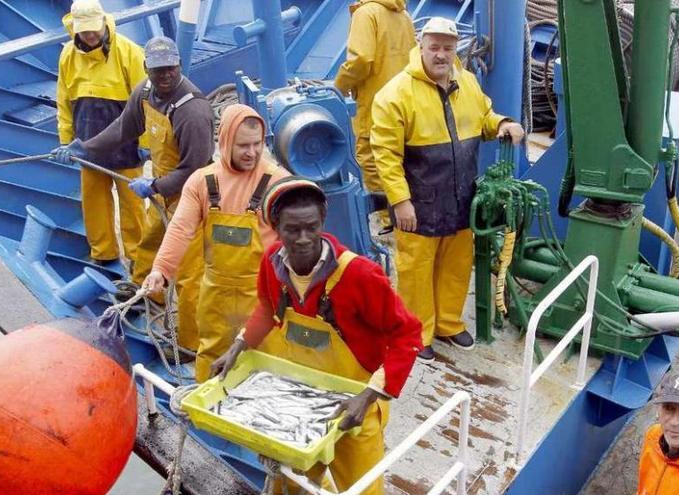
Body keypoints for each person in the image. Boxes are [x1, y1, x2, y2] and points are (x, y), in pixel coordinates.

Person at [211, 178, 422, 495]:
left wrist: (369, 396)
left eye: (311, 227)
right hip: (298, 396)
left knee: (363, 489)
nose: (303, 239)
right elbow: (268, 307)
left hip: (355, 407)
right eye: (292, 230)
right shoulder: (271, 263)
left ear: (323, 221)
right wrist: (239, 345)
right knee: (293, 485)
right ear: (276, 229)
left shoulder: (360, 275)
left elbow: (408, 333)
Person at [370, 17, 525, 361]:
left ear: (456, 49)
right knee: (416, 271)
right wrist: (400, 201)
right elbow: (386, 155)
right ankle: (416, 332)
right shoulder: (395, 95)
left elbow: (484, 117)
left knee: (456, 264)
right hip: (420, 202)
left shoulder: (467, 83)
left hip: (461, 198)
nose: (441, 55)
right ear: (421, 47)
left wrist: (502, 123)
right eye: (434, 47)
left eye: (448, 48)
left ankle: (448, 323)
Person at [54, 36, 215, 356]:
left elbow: (195, 171)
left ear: (179, 65)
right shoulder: (144, 92)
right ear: (147, 69)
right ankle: (147, 295)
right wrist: (85, 146)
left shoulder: (192, 111)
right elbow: (123, 128)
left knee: (189, 274)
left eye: (170, 68)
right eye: (158, 70)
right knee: (149, 245)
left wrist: (154, 187)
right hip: (163, 193)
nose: (165, 75)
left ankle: (189, 344)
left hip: (193, 198)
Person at [140, 104, 291, 381]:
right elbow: (180, 229)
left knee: (265, 360)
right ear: (225, 142)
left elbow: (298, 240)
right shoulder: (202, 181)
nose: (252, 152)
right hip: (215, 294)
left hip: (263, 293)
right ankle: (204, 412)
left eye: (257, 144)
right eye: (243, 145)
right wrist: (160, 269)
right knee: (210, 354)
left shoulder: (278, 182)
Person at [56, 0, 146, 265]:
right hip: (87, 147)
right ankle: (103, 255)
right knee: (94, 206)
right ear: (75, 28)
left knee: (133, 207)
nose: (91, 35)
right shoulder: (68, 56)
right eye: (85, 31)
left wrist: (145, 142)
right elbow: (63, 103)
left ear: (103, 22)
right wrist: (66, 143)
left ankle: (139, 260)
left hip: (126, 145)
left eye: (94, 29)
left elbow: (145, 102)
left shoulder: (129, 52)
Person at [334, 0, 415, 204]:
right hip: (403, 104)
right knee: (398, 160)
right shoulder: (404, 17)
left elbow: (360, 60)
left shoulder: (366, 14)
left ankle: (387, 222)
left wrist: (337, 88)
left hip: (374, 105)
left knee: (373, 162)